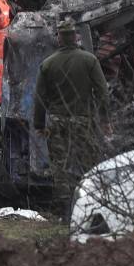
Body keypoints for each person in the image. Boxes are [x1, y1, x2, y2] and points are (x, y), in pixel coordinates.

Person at [33, 19, 110, 210]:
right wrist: (104, 119)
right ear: (75, 37)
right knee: (88, 163)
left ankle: (63, 207)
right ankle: (91, 202)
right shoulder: (89, 60)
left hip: (57, 122)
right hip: (83, 120)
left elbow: (39, 98)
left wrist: (39, 125)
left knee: (60, 165)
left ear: (59, 38)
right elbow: (102, 92)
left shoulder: (47, 64)